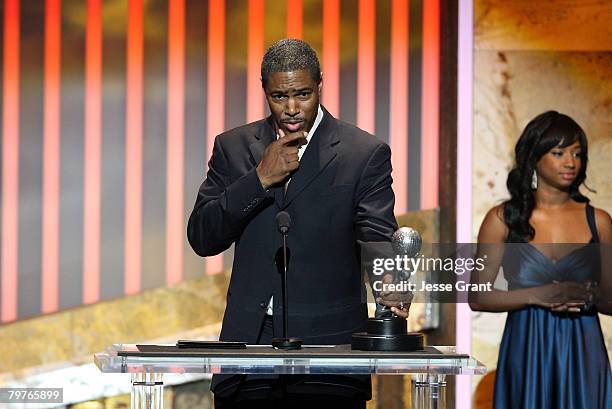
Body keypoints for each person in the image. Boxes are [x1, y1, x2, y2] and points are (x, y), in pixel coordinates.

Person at [187, 39, 405, 408]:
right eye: (279, 96)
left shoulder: (362, 153)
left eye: (303, 94)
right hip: (250, 345)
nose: (291, 108)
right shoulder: (234, 147)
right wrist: (257, 179)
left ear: (320, 84)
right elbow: (202, 237)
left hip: (330, 349)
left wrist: (390, 283)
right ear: (264, 90)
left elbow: (377, 235)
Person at [470, 111, 612, 408]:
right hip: (526, 347)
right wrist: (540, 295)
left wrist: (587, 294)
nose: (571, 162)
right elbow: (478, 297)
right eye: (559, 152)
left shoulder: (599, 221)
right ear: (534, 157)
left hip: (582, 348)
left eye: (577, 153)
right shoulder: (502, 219)